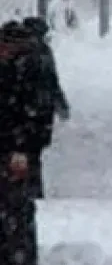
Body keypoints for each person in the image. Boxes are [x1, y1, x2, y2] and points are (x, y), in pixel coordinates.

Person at [0, 21, 54, 265]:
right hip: (8, 146)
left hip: (19, 149)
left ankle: (21, 264)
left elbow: (39, 113)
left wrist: (25, 148)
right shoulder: (14, 67)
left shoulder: (32, 68)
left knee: (17, 207)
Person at [19, 17, 68, 200]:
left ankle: (27, 187)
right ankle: (32, 187)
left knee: (26, 151)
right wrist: (60, 103)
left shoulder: (22, 53)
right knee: (33, 153)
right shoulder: (43, 53)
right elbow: (52, 81)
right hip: (40, 111)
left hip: (27, 110)